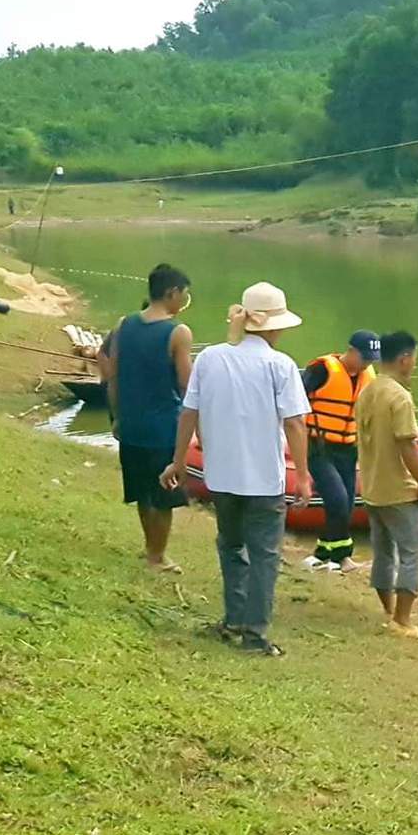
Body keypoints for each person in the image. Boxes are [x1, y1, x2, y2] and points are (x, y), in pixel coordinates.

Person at [161, 282, 312, 657]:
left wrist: (178, 461)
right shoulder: (280, 365)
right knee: (264, 555)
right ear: (274, 327)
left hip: (221, 476)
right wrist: (304, 476)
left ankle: (234, 620)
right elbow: (295, 424)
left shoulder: (211, 358)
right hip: (264, 479)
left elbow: (189, 412)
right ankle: (255, 635)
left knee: (230, 546)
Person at [100, 264, 194, 572]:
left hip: (131, 424)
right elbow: (186, 385)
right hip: (163, 426)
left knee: (142, 490)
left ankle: (149, 547)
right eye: (184, 294)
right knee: (164, 495)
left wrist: (116, 416)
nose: (184, 300)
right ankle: (158, 556)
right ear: (172, 293)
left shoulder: (124, 324)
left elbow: (112, 375)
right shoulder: (178, 332)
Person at [355, 330, 418, 640]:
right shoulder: (399, 397)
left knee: (384, 553)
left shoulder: (368, 391)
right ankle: (403, 621)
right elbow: (406, 445)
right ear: (404, 360)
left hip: (373, 487)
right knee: (415, 552)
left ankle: (389, 611)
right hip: (398, 490)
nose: (414, 366)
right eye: (414, 360)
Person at [301, 330, 379, 570]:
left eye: (371, 359)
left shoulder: (368, 376)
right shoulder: (322, 370)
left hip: (348, 449)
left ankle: (323, 553)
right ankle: (343, 557)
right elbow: (295, 398)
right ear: (351, 351)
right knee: (337, 499)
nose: (367, 363)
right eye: (364, 357)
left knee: (346, 505)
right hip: (319, 447)